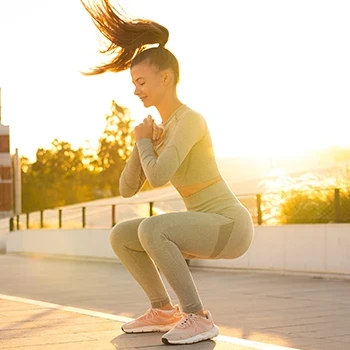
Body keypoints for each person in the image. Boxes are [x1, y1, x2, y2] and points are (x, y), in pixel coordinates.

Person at [81, 0, 254, 345]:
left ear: (167, 77)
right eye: (133, 82)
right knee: (122, 235)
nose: (136, 89)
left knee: (152, 227)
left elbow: (158, 177)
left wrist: (147, 144)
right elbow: (127, 188)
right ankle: (162, 310)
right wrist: (140, 143)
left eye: (142, 81)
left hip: (230, 225)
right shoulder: (159, 129)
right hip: (205, 224)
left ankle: (198, 317)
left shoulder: (190, 120)